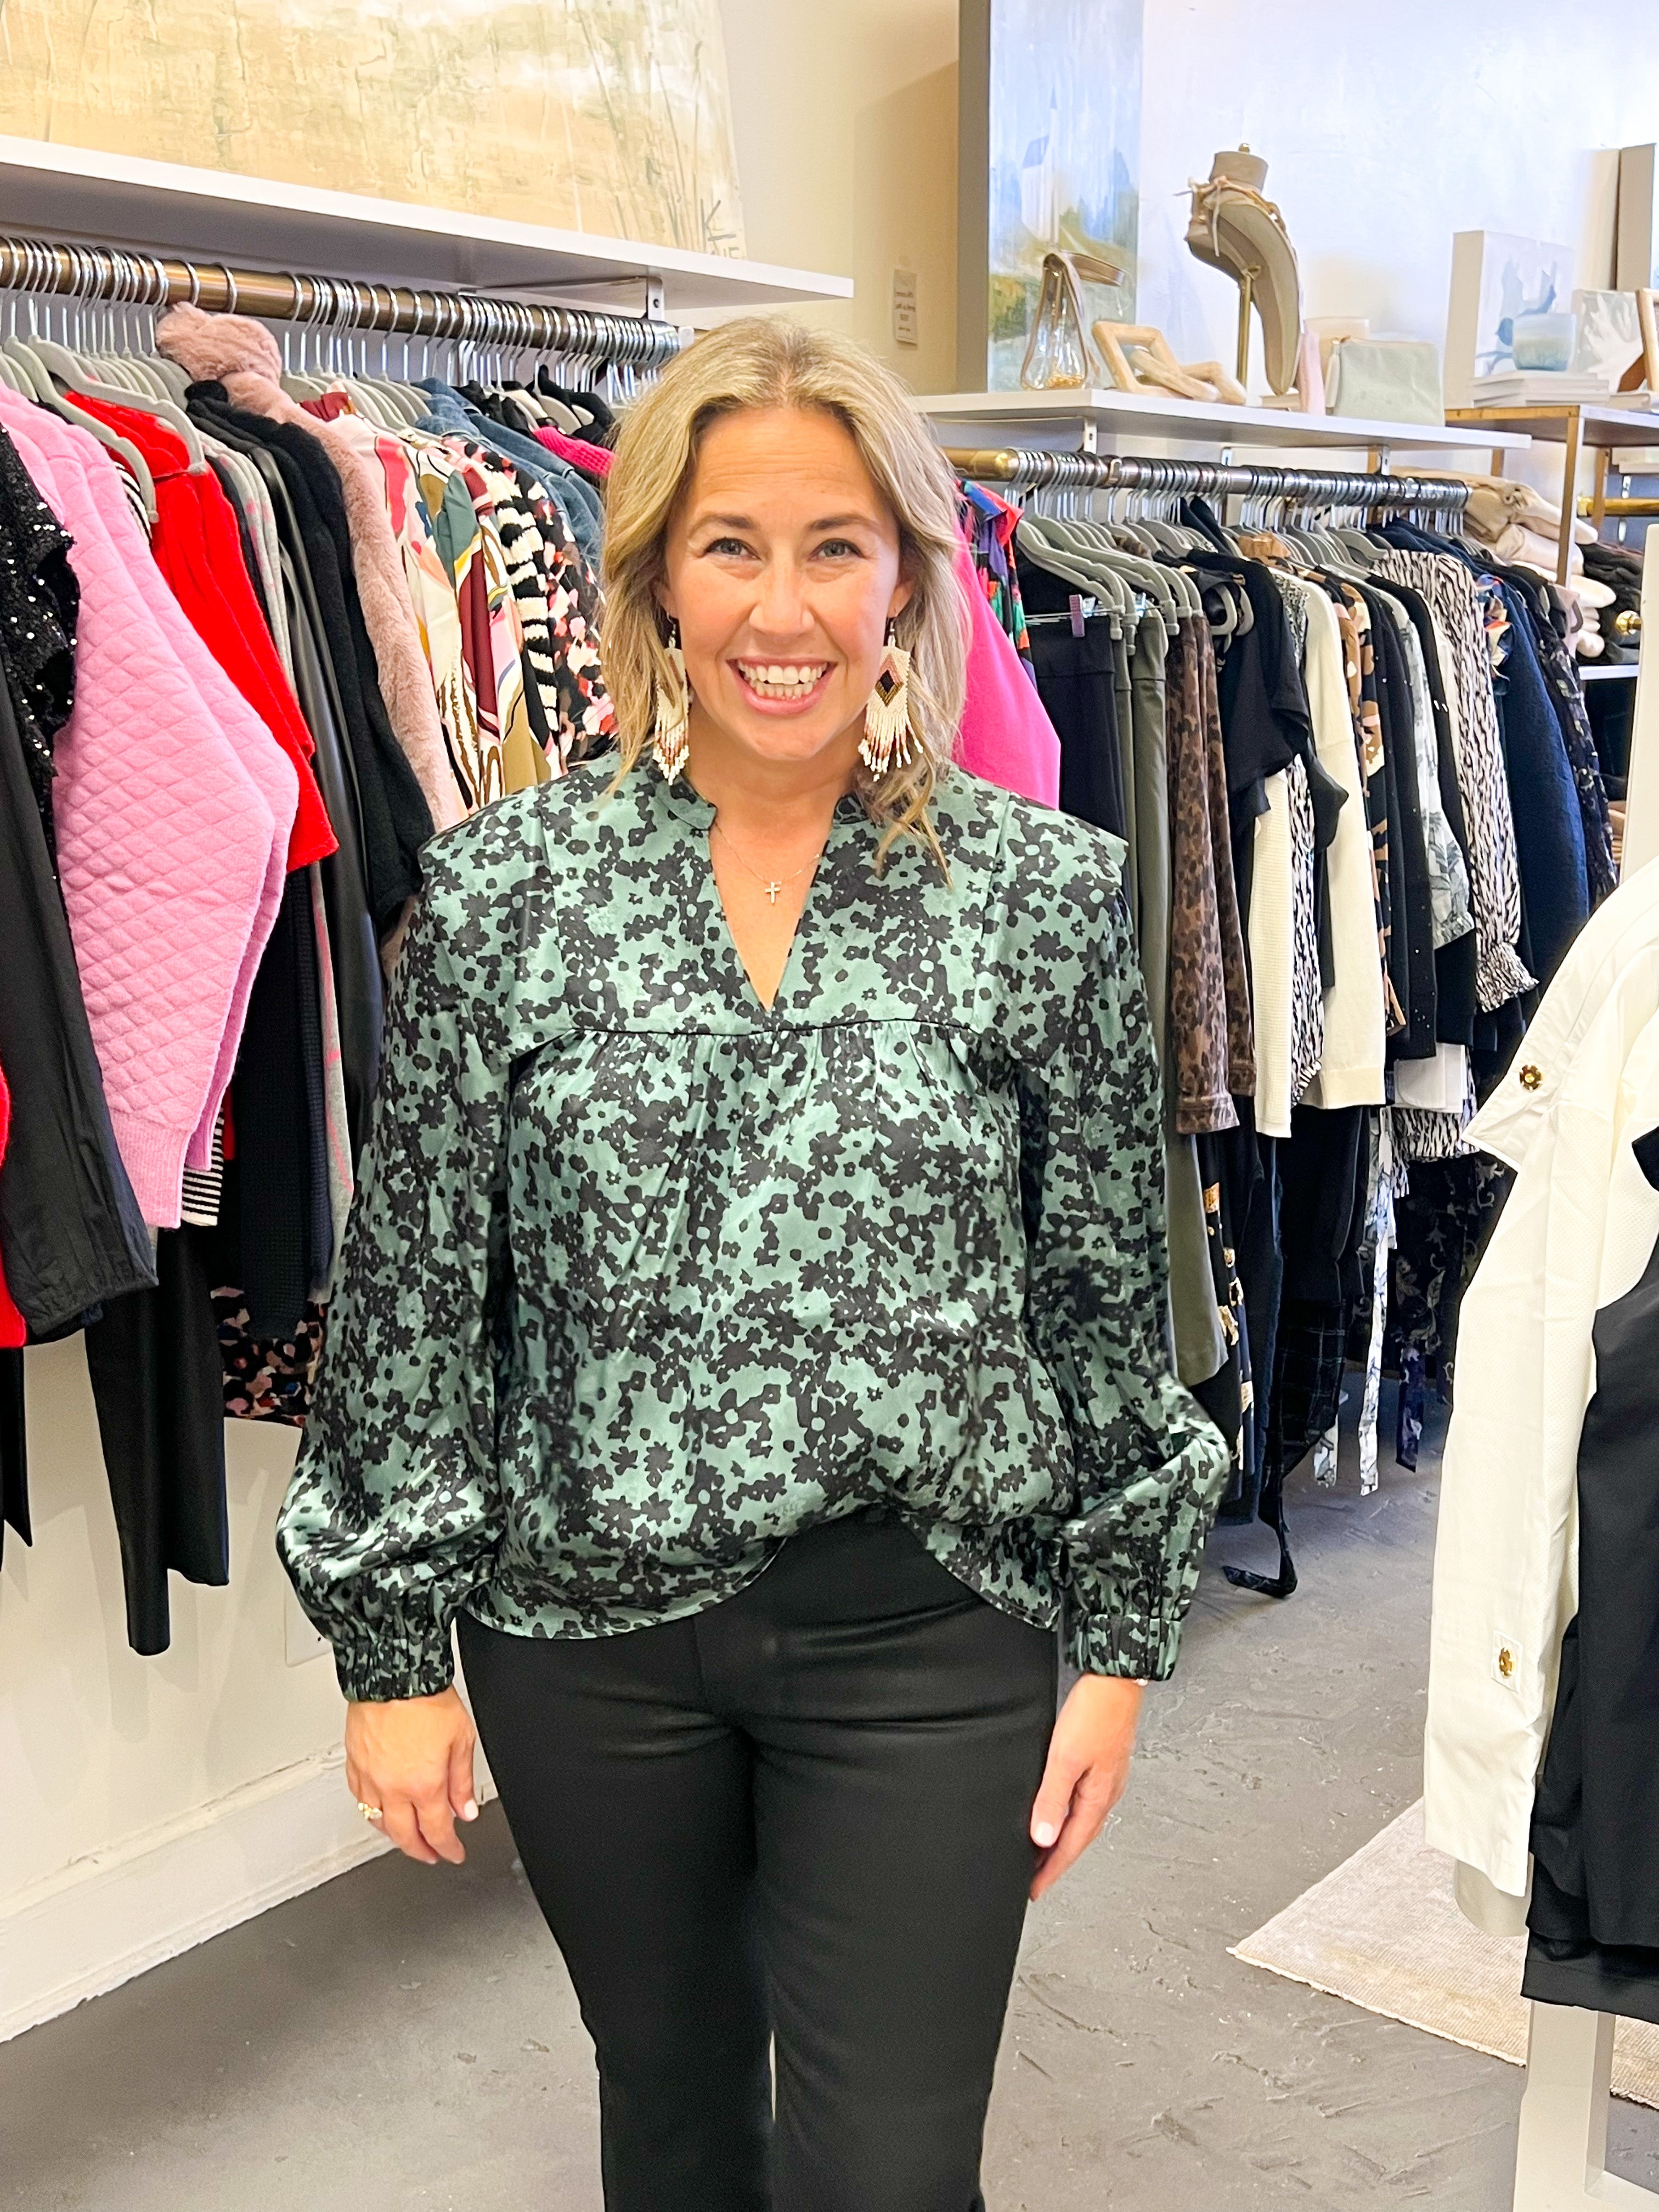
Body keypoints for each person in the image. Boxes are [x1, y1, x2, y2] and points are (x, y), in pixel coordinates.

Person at [278, 316, 1228, 2212]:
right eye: (730, 545)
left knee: (891, 2170)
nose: (781, 610)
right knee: (677, 2113)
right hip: (585, 1642)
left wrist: (1122, 1637)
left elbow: (1107, 1304)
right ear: (652, 575)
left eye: (833, 546)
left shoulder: (1040, 897)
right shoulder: (507, 898)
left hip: (929, 1624)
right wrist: (393, 1653)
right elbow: (414, 1307)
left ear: (908, 580)